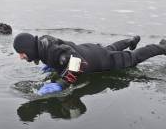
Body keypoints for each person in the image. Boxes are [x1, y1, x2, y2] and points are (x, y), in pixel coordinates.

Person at [13, 33, 166, 95]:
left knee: (134, 57)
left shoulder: (53, 52)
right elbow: (64, 49)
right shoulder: (44, 44)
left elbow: (80, 64)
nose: (21, 57)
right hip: (92, 50)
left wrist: (62, 84)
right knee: (109, 49)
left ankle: (162, 47)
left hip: (102, 62)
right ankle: (130, 40)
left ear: (29, 48)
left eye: (21, 52)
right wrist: (54, 65)